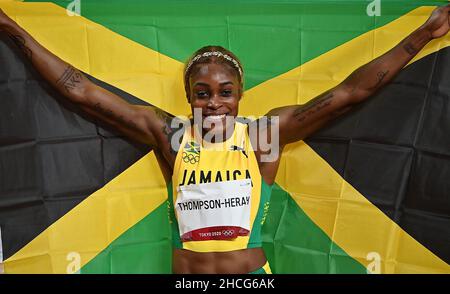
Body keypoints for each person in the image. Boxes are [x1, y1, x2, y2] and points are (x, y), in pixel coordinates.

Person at [0, 5, 449, 274]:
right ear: (188, 96)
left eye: (225, 92)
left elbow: (351, 93)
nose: (214, 103)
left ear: (240, 94)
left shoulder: (263, 135)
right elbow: (81, 91)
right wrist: (10, 28)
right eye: (202, 93)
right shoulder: (171, 135)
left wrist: (424, 34)